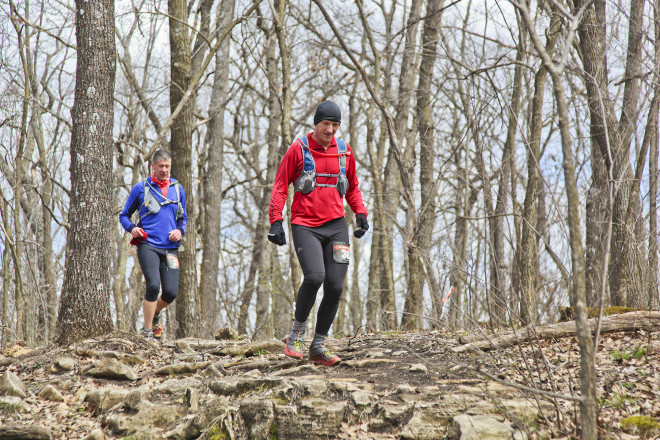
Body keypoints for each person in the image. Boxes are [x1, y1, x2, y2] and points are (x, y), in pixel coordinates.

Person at [268, 100, 369, 366]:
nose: (331, 130)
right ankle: (296, 335)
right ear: (317, 123)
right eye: (327, 124)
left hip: (336, 225)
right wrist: (276, 221)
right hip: (305, 225)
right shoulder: (298, 149)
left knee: (335, 286)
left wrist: (360, 213)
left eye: (335, 125)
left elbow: (353, 187)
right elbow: (280, 187)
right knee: (314, 277)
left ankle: (318, 345)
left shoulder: (344, 152)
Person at [119, 150, 187, 340]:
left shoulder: (177, 188)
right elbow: (124, 215)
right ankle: (147, 331)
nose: (165, 170)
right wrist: (132, 228)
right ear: (153, 167)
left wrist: (180, 231)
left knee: (171, 292)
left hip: (171, 248)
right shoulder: (141, 188)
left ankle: (155, 312)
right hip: (148, 244)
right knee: (153, 286)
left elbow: (184, 217)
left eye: (167, 166)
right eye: (161, 166)